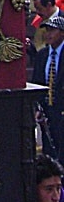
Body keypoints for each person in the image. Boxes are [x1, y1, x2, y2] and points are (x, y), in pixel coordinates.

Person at [34, 17, 64, 162]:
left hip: (62, 109)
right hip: (47, 111)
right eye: (46, 30)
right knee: (49, 149)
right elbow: (37, 81)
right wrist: (38, 107)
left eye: (52, 30)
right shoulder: (42, 55)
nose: (48, 34)